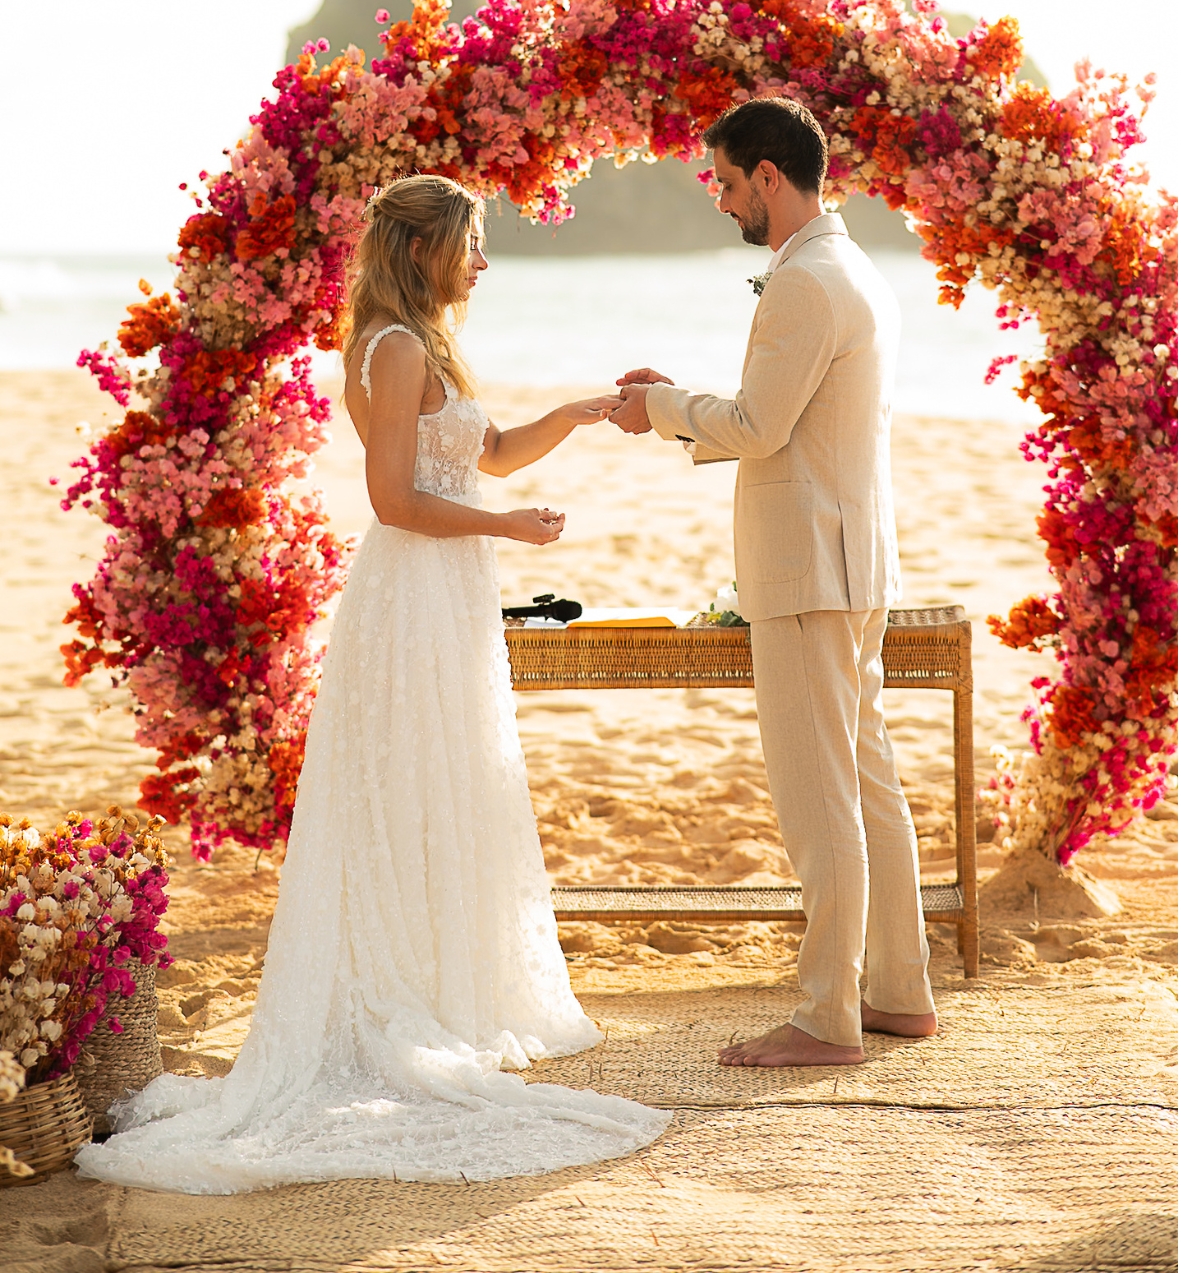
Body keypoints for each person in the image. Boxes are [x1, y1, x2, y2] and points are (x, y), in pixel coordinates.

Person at [76, 174, 666, 1192]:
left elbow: (487, 453)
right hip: (412, 589)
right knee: (404, 789)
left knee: (449, 783)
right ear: (427, 249)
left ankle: (443, 981)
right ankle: (397, 993)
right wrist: (504, 527)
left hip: (448, 593)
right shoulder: (392, 350)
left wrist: (573, 412)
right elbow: (397, 500)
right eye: (470, 244)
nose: (482, 262)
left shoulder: (429, 344)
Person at [610, 98, 937, 1067]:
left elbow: (756, 425)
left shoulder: (801, 280)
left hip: (805, 569)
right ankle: (896, 989)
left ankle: (826, 1014)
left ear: (766, 174)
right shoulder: (856, 269)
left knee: (817, 792)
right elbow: (787, 414)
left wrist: (659, 406)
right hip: (853, 557)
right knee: (866, 777)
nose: (718, 200)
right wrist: (677, 401)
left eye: (721, 180)